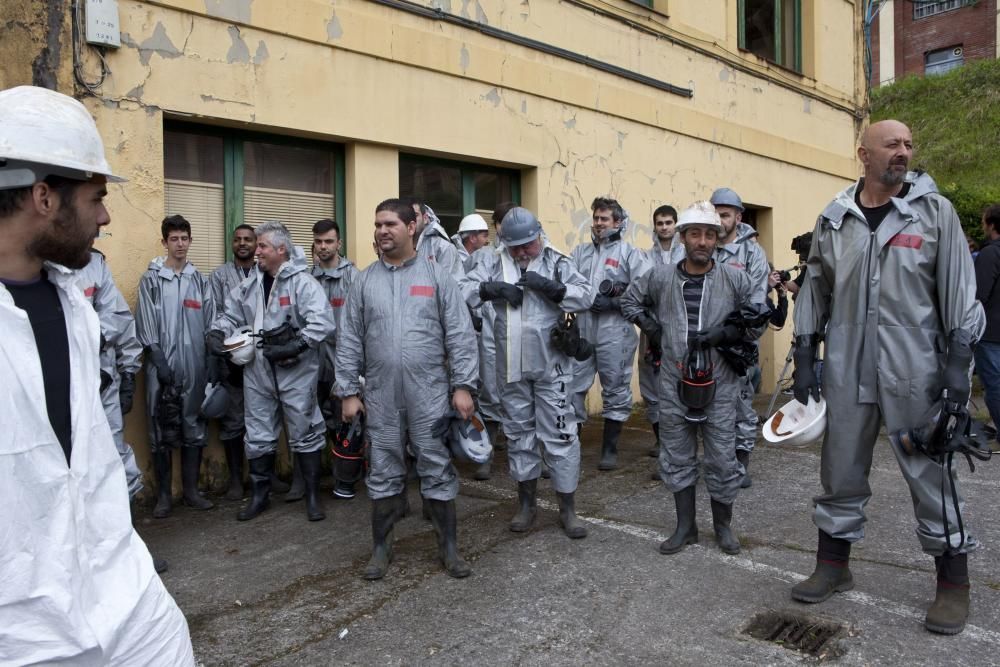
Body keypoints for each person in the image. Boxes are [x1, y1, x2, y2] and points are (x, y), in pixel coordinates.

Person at [0, 84, 194, 664]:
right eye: (96, 198)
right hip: (22, 622)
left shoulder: (77, 308)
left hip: (121, 589)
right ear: (43, 198)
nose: (106, 217)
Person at [790, 120, 985, 635]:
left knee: (931, 475)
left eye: (908, 145)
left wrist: (957, 366)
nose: (903, 152)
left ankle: (953, 585)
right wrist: (806, 352)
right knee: (840, 468)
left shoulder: (934, 212)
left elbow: (961, 293)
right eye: (892, 145)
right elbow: (813, 289)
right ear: (863, 154)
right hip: (848, 368)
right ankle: (833, 564)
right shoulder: (835, 219)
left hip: (915, 373)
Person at [336, 199, 479, 579]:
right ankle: (381, 550)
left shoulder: (436, 277)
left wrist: (463, 386)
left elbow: (461, 336)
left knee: (435, 463)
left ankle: (449, 549)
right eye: (377, 224)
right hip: (381, 395)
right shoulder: (364, 280)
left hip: (430, 392)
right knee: (382, 468)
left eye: (390, 224)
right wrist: (349, 391)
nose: (382, 231)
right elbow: (349, 339)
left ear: (411, 227)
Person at [623, 201, 763, 557]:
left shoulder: (734, 277)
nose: (702, 241)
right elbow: (630, 301)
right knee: (676, 453)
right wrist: (653, 328)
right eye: (695, 234)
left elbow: (759, 317)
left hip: (721, 380)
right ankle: (685, 527)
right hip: (673, 378)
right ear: (683, 237)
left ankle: (723, 527)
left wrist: (727, 333)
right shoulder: (660, 276)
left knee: (721, 456)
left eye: (709, 234)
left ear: (717, 239)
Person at [463, 206, 593, 538]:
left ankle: (568, 508)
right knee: (520, 435)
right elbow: (463, 290)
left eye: (528, 245)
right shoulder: (491, 261)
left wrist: (555, 290)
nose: (522, 252)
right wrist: (491, 290)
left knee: (561, 434)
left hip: (554, 366)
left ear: (538, 236)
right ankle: (526, 505)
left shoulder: (557, 262)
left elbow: (586, 295)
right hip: (511, 366)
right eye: (515, 246)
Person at [210, 221, 336, 523]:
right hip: (258, 372)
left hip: (296, 372)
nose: (257, 251)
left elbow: (323, 321)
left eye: (263, 246)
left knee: (305, 430)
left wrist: (296, 345)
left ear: (281, 249)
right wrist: (217, 332)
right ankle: (260, 496)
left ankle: (313, 497)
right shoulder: (250, 284)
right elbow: (229, 313)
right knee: (258, 432)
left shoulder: (303, 283)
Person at [674, 188, 768, 488]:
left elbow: (756, 305)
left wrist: (731, 332)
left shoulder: (752, 252)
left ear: (738, 217)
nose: (719, 219)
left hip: (735, 346)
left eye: (725, 214)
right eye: (716, 213)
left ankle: (740, 462)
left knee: (739, 406)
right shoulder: (700, 246)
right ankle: (702, 462)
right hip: (698, 346)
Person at [136, 214, 215, 516]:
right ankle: (164, 497)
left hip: (194, 365)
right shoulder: (152, 280)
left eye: (185, 238)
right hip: (162, 367)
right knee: (161, 424)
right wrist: (157, 358)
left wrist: (209, 358)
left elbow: (210, 323)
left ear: (190, 240)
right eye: (174, 239)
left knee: (193, 422)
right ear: (164, 242)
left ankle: (192, 491)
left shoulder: (199, 280)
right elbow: (145, 321)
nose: (180, 244)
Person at [570, 197, 651, 470]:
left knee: (615, 389)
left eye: (604, 219)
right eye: (596, 218)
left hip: (615, 332)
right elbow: (567, 285)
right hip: (582, 329)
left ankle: (609, 449)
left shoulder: (630, 254)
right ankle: (570, 447)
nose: (599, 223)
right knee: (573, 387)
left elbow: (646, 290)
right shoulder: (580, 253)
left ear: (617, 222)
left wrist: (615, 302)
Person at [77, 242, 144, 499]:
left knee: (114, 452)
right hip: (63, 387)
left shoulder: (95, 264)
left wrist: (128, 373)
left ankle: (125, 524)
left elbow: (119, 318)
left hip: (104, 379)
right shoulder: (34, 265)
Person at [208, 223, 264, 501]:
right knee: (233, 420)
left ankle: (265, 478)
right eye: (238, 239)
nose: (243, 244)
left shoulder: (265, 273)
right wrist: (220, 345)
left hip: (261, 356)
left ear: (257, 244)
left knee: (263, 418)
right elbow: (218, 314)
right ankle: (235, 480)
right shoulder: (219, 276)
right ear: (232, 243)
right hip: (231, 356)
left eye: (249, 240)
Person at [311, 217, 359, 498]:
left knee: (347, 420)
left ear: (339, 243)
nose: (323, 247)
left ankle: (347, 480)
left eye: (329, 241)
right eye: (318, 242)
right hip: (314, 363)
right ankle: (320, 477)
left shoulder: (353, 276)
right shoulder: (307, 279)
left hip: (344, 360)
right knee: (318, 418)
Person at [638, 204, 678, 459]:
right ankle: (660, 439)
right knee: (650, 385)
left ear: (676, 225)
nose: (664, 227)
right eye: (660, 223)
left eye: (668, 223)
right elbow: (639, 288)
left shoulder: (686, 254)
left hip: (679, 329)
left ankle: (679, 442)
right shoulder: (644, 256)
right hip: (650, 328)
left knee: (679, 384)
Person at [975, 204, 1000, 440]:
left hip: (990, 331)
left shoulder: (990, 253)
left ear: (991, 224)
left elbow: (979, 294)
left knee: (994, 385)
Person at [405, 197, 465, 276]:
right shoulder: (397, 247)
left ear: (425, 218)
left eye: (415, 215)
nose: (411, 220)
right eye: (407, 216)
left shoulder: (443, 248)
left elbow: (447, 285)